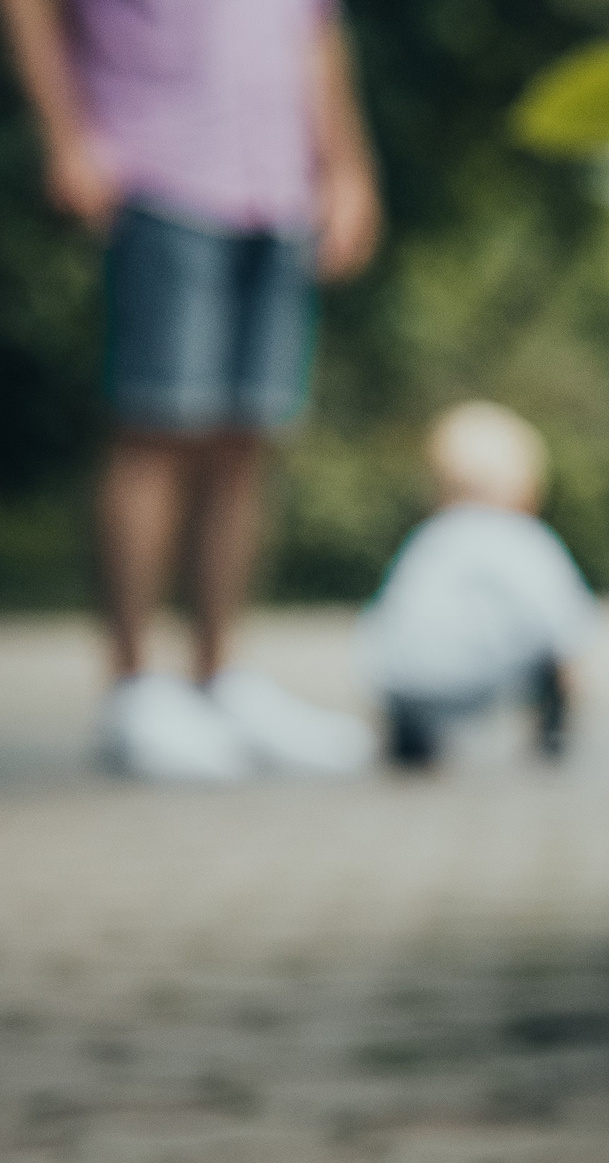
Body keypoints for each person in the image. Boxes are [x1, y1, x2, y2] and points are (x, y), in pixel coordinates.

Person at [3, 0, 379, 781]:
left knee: (249, 435)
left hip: (277, 183)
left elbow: (315, 31)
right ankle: (135, 689)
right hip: (162, 169)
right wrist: (67, 135)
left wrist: (345, 166)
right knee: (157, 426)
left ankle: (219, 677)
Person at [355, 402, 595, 770]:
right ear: (529, 488)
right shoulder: (524, 537)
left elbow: (388, 613)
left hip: (401, 683)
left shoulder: (427, 538)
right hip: (478, 680)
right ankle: (551, 733)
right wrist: (570, 678)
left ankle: (411, 743)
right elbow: (562, 621)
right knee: (550, 654)